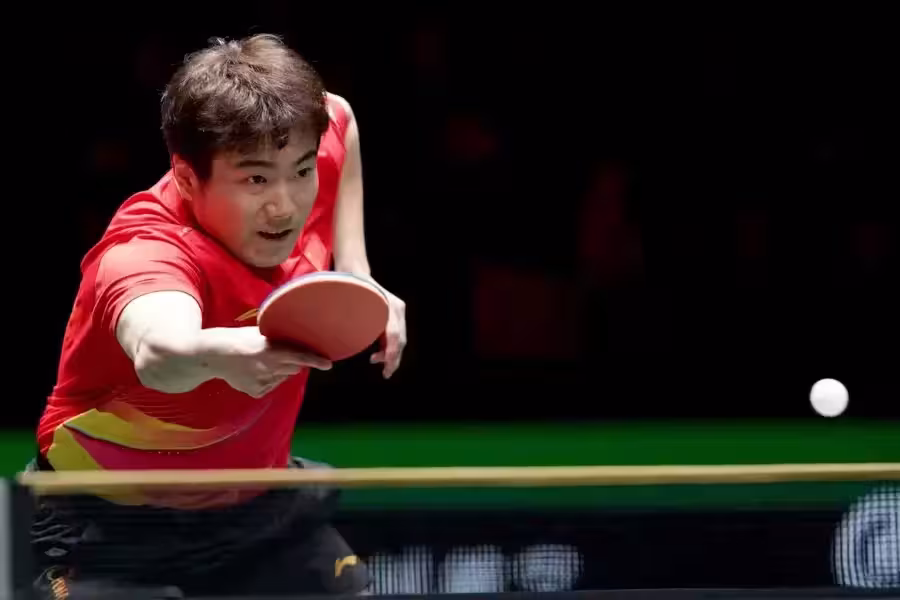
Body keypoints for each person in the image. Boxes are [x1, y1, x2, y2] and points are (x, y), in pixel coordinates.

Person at [30, 33, 406, 598]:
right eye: (255, 179)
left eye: (301, 171)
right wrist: (224, 353)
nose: (285, 204)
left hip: (254, 508)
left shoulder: (310, 133)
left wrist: (358, 275)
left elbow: (338, 120)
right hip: (107, 526)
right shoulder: (144, 252)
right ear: (187, 178)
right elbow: (159, 349)